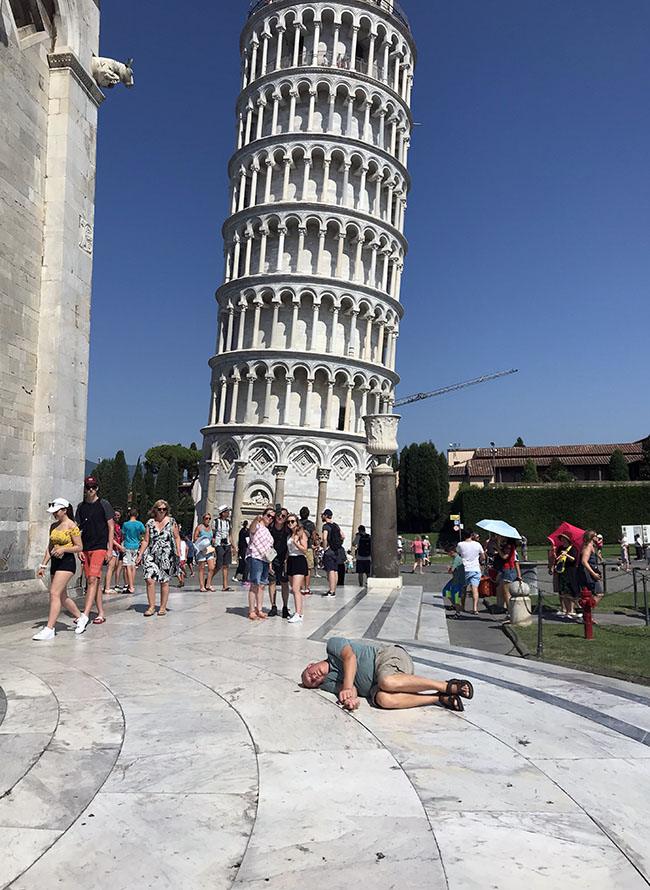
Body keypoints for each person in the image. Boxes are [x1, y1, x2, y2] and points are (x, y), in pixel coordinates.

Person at [301, 637, 474, 711]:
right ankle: (439, 698)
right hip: (376, 687)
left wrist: (346, 686)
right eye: (313, 683)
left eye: (310, 675)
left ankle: (447, 685)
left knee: (387, 682)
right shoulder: (327, 682)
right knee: (384, 700)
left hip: (386, 658)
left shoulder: (332, 646)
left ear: (310, 665)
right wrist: (350, 699)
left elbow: (350, 657)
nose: (314, 678)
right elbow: (349, 690)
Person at [33, 498, 84, 640]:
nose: (54, 515)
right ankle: (80, 617)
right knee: (62, 596)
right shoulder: (54, 526)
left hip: (67, 562)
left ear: (64, 510)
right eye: (53, 512)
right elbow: (50, 547)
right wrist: (43, 565)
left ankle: (49, 628)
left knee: (54, 592)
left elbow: (79, 547)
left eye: (57, 512)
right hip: (55, 562)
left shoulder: (72, 526)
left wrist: (64, 549)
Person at [75, 476, 114, 634]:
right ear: (85, 489)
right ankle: (101, 613)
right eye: (88, 487)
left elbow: (111, 526)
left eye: (93, 487)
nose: (91, 489)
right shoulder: (81, 506)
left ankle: (85, 614)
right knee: (94, 580)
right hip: (86, 546)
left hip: (99, 546)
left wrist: (109, 548)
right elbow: (77, 529)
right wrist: (78, 549)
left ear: (97, 488)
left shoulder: (104, 504)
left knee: (92, 579)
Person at [136, 499, 182, 616]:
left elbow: (177, 537)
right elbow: (146, 540)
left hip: (166, 555)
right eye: (159, 509)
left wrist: (178, 550)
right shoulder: (150, 523)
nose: (161, 511)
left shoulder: (172, 522)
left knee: (164, 581)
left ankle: (162, 607)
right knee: (149, 579)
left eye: (164, 509)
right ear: (155, 510)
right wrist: (140, 554)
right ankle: (151, 607)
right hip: (151, 554)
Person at [246, 508, 275, 619]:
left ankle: (259, 609)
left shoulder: (268, 531)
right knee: (255, 584)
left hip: (265, 560)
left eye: (272, 517)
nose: (270, 518)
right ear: (263, 515)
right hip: (256, 557)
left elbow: (269, 548)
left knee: (262, 585)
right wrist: (255, 519)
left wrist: (270, 562)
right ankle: (251, 610)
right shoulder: (257, 526)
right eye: (268, 515)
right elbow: (251, 529)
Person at [285, 513, 309, 623]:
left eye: (292, 521)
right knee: (293, 588)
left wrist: (296, 542)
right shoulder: (289, 534)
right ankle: (298, 612)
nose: (290, 523)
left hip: (299, 560)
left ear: (297, 522)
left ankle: (299, 613)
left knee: (296, 589)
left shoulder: (301, 533)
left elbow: (304, 549)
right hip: (291, 560)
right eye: (288, 522)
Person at [268, 507, 290, 617]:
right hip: (272, 558)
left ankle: (285, 607)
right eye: (278, 515)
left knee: (284, 583)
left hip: (284, 559)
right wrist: (269, 562)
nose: (280, 517)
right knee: (272, 582)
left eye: (283, 516)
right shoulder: (270, 528)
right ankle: (273, 606)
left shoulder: (287, 530)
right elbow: (268, 546)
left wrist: (286, 559)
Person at [494, 535, 521, 621]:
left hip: (508, 569)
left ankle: (510, 613)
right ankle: (510, 611)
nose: (502, 538)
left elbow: (505, 556)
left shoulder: (508, 546)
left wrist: (498, 548)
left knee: (507, 593)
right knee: (503, 590)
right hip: (510, 569)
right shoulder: (511, 546)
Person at [457, 528, 484, 615]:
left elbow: (458, 554)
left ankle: (462, 606)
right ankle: (475, 608)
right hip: (475, 568)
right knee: (474, 588)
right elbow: (483, 556)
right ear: (471, 535)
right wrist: (479, 560)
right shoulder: (477, 544)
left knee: (463, 588)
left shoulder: (460, 544)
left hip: (465, 568)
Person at [553, 532, 579, 619]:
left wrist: (566, 554)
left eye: (564, 538)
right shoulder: (560, 548)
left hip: (570, 572)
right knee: (563, 592)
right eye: (562, 538)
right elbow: (557, 558)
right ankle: (567, 610)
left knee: (570, 592)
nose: (562, 540)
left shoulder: (573, 548)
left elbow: (574, 559)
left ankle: (572, 610)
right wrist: (554, 552)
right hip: (562, 571)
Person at [121, 507, 145, 594]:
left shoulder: (125, 524)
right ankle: (132, 584)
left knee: (128, 566)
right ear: (137, 514)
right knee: (133, 566)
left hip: (127, 545)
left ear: (129, 514)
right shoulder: (139, 524)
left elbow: (123, 535)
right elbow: (145, 532)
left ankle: (130, 586)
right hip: (136, 545)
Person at [577, 529, 603, 606]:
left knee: (587, 594)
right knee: (599, 594)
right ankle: (586, 609)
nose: (597, 537)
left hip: (590, 571)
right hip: (587, 572)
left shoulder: (591, 546)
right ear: (591, 537)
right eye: (595, 535)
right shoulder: (588, 546)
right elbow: (584, 561)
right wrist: (593, 574)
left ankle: (586, 610)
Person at [103, 506, 125, 595]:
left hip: (116, 549)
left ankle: (106, 585)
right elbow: (111, 538)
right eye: (115, 515)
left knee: (114, 567)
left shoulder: (118, 525)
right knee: (111, 567)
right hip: (112, 548)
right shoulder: (111, 525)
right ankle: (107, 588)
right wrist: (120, 546)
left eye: (118, 515)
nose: (116, 517)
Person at [321, 508, 344, 596]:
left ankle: (331, 591)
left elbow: (324, 538)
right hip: (336, 551)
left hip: (329, 551)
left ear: (325, 516)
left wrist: (324, 547)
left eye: (322, 515)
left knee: (330, 570)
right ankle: (333, 589)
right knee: (335, 570)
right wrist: (338, 544)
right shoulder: (336, 525)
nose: (321, 516)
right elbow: (343, 536)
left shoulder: (326, 526)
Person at [214, 504, 236, 591]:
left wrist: (233, 546)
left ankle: (225, 585)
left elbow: (230, 535)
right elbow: (213, 534)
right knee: (219, 565)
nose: (228, 513)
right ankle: (209, 580)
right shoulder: (216, 522)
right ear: (222, 513)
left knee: (226, 565)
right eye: (227, 512)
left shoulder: (228, 522)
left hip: (227, 544)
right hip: (218, 544)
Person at [194, 512, 216, 591]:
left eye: (209, 518)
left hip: (209, 549)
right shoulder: (199, 527)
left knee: (212, 567)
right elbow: (195, 538)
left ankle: (208, 584)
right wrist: (202, 539)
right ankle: (202, 586)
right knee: (202, 568)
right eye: (206, 518)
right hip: (201, 549)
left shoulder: (210, 529)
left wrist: (212, 541)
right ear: (203, 519)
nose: (208, 520)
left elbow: (211, 538)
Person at [442, 545, 464, 618]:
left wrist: (449, 569)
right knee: (446, 590)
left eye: (448, 553)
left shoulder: (457, 559)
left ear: (451, 552)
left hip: (458, 581)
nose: (448, 554)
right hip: (455, 579)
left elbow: (451, 571)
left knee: (455, 595)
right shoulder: (456, 558)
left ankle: (458, 613)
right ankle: (455, 605)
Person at [299, 506, 317, 595]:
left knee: (300, 568)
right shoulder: (311, 524)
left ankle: (301, 588)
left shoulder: (298, 523)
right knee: (308, 568)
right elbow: (314, 537)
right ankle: (306, 588)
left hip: (299, 548)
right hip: (308, 548)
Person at [235, 520, 250, 585]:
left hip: (242, 549)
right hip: (245, 549)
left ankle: (244, 578)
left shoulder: (241, 531)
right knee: (246, 564)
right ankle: (245, 579)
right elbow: (248, 541)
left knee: (244, 563)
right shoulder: (246, 532)